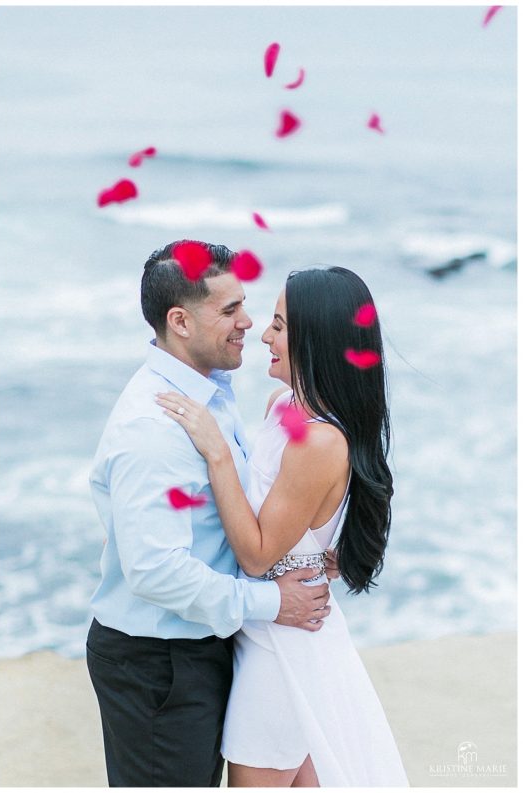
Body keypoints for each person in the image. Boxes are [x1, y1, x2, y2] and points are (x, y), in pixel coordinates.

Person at [86, 241, 332, 788]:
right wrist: (272, 601)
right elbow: (155, 571)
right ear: (179, 321)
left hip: (205, 643)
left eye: (245, 305)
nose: (249, 323)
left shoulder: (210, 392)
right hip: (159, 666)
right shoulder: (154, 429)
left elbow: (232, 512)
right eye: (229, 311)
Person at [156, 266, 410, 787]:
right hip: (267, 626)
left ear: (316, 338)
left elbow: (257, 556)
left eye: (279, 324)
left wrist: (217, 452)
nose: (264, 335)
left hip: (283, 646)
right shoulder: (283, 408)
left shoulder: (317, 440)